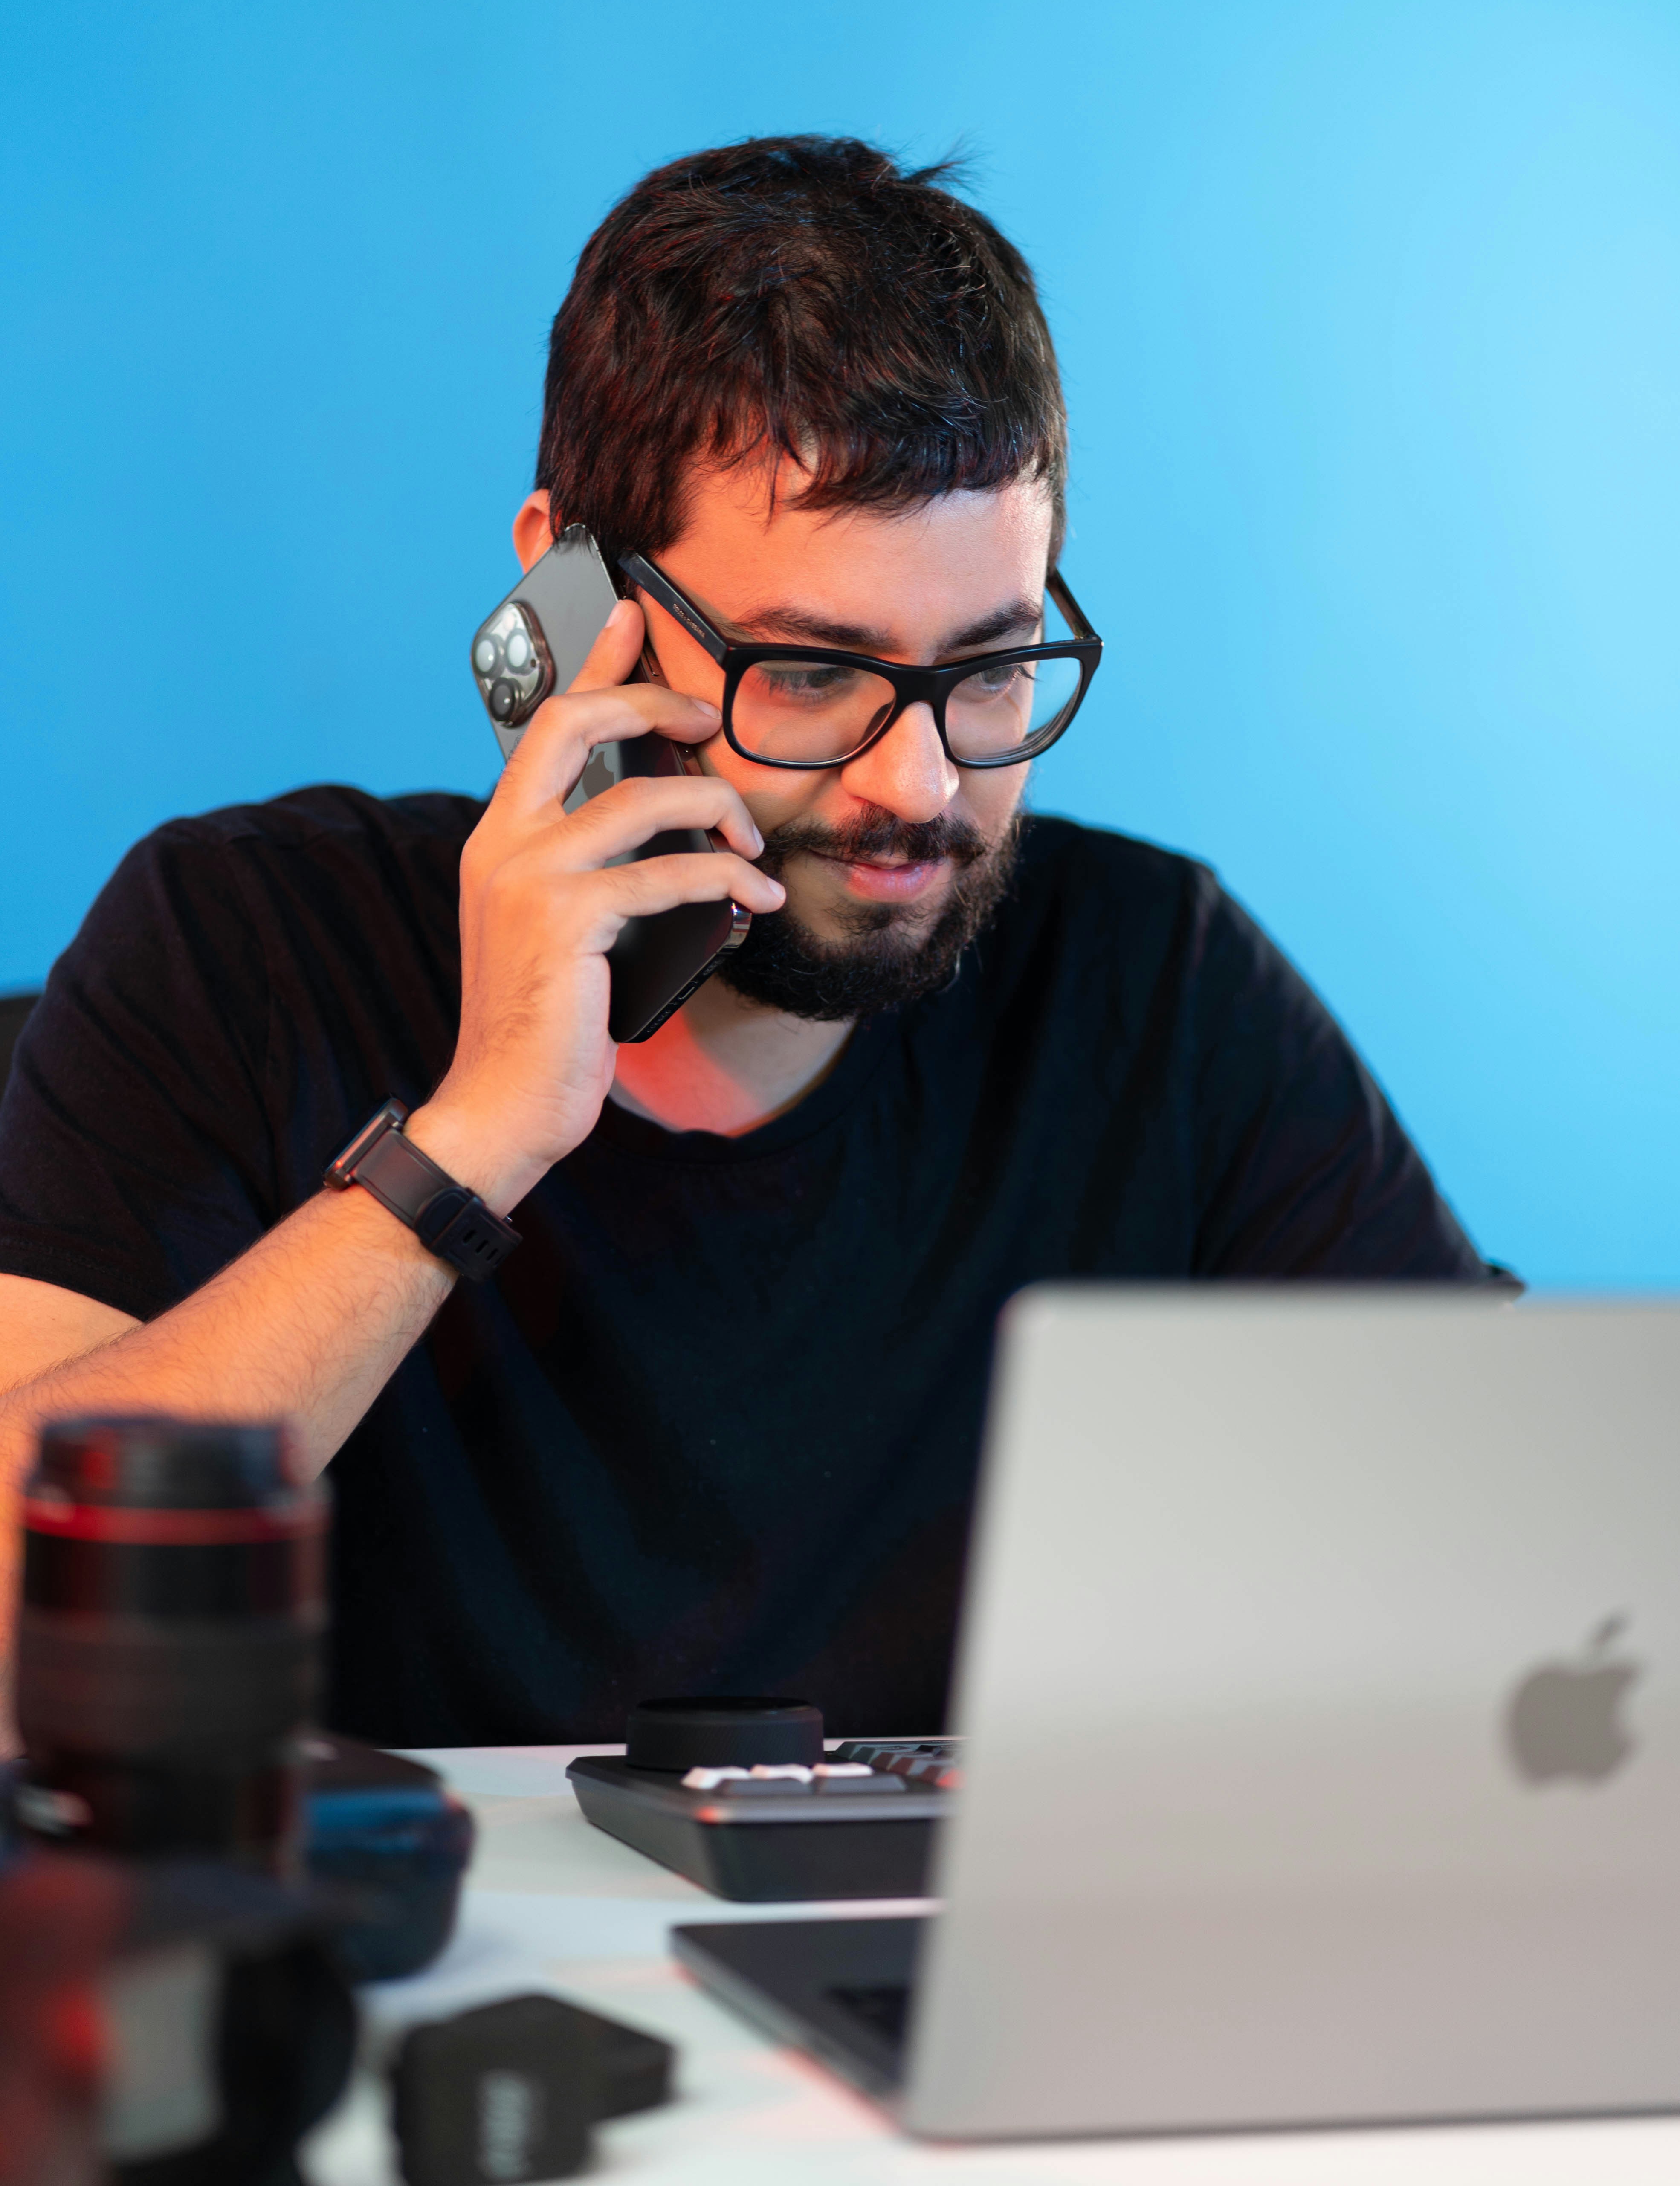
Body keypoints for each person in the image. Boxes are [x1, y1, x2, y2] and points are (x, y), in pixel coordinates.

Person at [0, 136, 1502, 1747]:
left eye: (990, 668)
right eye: (805, 673)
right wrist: (477, 1139)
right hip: (421, 1982)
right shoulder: (244, 947)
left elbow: (1523, 1565)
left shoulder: (1158, 981)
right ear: (572, 600)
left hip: (929, 1974)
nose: (914, 786)